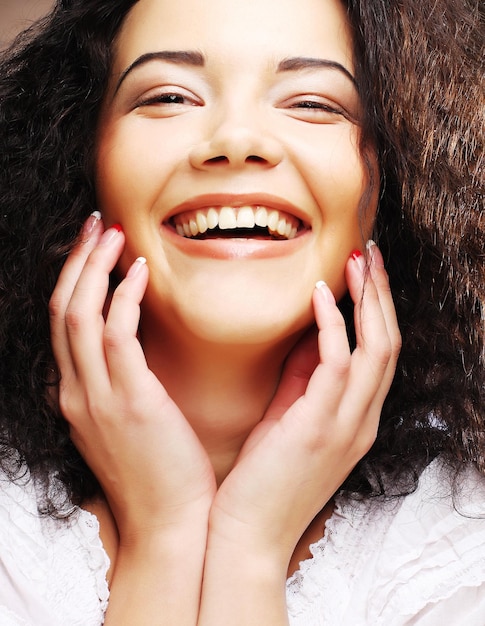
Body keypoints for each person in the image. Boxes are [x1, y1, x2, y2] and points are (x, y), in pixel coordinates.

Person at [0, 0, 483, 623]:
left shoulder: (459, 547)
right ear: (79, 155)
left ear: (395, 174)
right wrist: (163, 534)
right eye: (170, 96)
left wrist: (248, 547)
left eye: (313, 102)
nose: (235, 142)